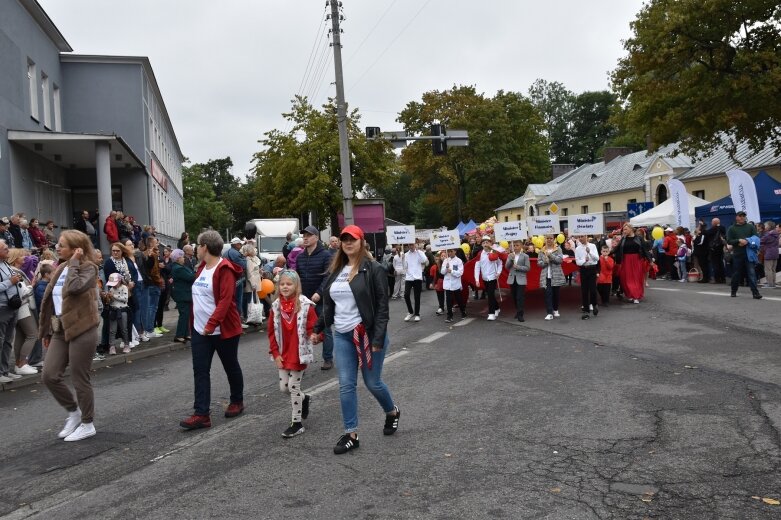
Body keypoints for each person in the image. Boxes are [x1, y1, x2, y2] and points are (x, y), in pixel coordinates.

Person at [311, 224, 399, 455]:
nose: (348, 243)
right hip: (341, 334)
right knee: (346, 385)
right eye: (344, 239)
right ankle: (351, 434)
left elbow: (382, 308)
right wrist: (318, 327)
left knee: (372, 383)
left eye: (352, 239)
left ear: (361, 242)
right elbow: (329, 304)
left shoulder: (373, 269)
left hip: (367, 335)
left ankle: (391, 412)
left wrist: (378, 338)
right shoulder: (336, 270)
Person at [180, 230, 245, 430]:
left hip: (222, 330)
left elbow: (226, 300)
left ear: (205, 247)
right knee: (200, 371)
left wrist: (211, 324)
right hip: (201, 331)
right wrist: (198, 327)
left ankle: (237, 401)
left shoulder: (224, 268)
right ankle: (201, 414)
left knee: (230, 366)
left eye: (198, 245)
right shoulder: (201, 268)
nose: (196, 249)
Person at [38, 230, 100, 442]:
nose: (57, 247)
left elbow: (74, 288)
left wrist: (74, 262)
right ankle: (74, 413)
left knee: (79, 377)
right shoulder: (62, 267)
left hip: (83, 328)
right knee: (49, 375)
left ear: (76, 249)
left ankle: (87, 423)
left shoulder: (89, 268)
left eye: (62, 245)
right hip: (60, 329)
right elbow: (50, 301)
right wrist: (46, 329)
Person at [268, 270, 318, 438]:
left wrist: (315, 335)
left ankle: (296, 423)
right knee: (284, 388)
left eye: (289, 284)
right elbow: (271, 332)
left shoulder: (305, 305)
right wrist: (275, 353)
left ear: (296, 286)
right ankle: (304, 399)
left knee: (293, 387)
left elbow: (313, 325)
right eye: (282, 284)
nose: (285, 287)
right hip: (283, 353)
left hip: (299, 353)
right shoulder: (275, 306)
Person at [295, 225, 335, 370]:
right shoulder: (300, 257)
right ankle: (301, 361)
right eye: (304, 235)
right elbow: (297, 277)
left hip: (321, 300)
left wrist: (319, 292)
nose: (305, 238)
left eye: (308, 235)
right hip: (304, 301)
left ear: (316, 238)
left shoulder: (326, 255)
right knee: (301, 331)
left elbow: (328, 277)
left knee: (325, 329)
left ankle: (328, 359)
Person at [6, 249, 38, 375]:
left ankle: (20, 364)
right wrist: (32, 285)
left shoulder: (13, 270)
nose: (24, 258)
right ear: (15, 258)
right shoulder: (15, 272)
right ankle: (22, 363)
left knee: (21, 335)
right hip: (23, 306)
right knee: (32, 334)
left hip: (20, 307)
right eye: (21, 256)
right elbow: (22, 292)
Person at [614, 223, 653, 304]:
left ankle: (635, 296)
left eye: (625, 229)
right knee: (626, 279)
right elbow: (616, 248)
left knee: (636, 279)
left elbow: (645, 250)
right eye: (623, 229)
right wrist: (607, 253)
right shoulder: (623, 239)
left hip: (637, 260)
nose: (624, 231)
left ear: (631, 229)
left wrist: (650, 260)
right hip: (626, 260)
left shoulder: (639, 238)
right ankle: (630, 294)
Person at [0, 240, 22, 383]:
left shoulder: (6, 264)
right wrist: (10, 282)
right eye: (5, 249)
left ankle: (5, 371)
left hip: (12, 307)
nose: (9, 251)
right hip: (2, 308)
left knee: (8, 341)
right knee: (0, 341)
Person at [727, 211, 762, 299]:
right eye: (740, 216)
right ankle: (733, 291)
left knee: (751, 273)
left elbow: (756, 239)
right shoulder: (732, 228)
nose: (742, 217)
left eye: (743, 216)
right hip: (738, 254)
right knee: (736, 274)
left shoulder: (750, 227)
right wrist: (738, 240)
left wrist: (749, 242)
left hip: (749, 254)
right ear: (736, 217)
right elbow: (729, 241)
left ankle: (755, 293)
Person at [474, 236, 503, 321]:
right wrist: (476, 279)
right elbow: (477, 267)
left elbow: (500, 263)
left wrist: (498, 272)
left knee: (490, 295)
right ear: (482, 245)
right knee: (491, 295)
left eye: (487, 242)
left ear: (490, 244)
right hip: (485, 277)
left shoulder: (494, 252)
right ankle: (497, 308)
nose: (485, 244)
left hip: (493, 277)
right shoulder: (480, 254)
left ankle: (491, 313)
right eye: (483, 243)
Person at [170, 248, 195, 343]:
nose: (184, 258)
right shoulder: (178, 268)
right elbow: (191, 276)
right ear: (177, 258)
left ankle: (186, 334)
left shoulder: (181, 266)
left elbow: (192, 274)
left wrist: (193, 274)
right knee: (184, 315)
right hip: (182, 294)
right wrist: (193, 274)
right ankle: (179, 335)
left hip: (185, 294)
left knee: (186, 314)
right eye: (182, 257)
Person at [538, 235, 565, 320]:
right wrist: (545, 262)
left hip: (556, 275)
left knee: (556, 294)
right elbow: (539, 263)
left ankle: (555, 309)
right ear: (545, 239)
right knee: (548, 294)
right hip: (546, 275)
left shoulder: (558, 249)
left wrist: (551, 256)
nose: (549, 240)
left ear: (554, 239)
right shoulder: (541, 250)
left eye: (551, 238)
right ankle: (549, 313)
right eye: (547, 238)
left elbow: (560, 260)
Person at [223, 237, 247, 328]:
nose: (241, 245)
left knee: (231, 300)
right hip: (237, 279)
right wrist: (245, 258)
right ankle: (237, 322)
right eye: (240, 244)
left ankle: (231, 321)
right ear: (236, 245)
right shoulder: (236, 253)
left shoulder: (226, 253)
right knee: (238, 300)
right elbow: (244, 265)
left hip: (229, 279)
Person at [105, 273, 130, 355]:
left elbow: (125, 299)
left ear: (119, 281)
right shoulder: (111, 289)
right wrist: (108, 298)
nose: (113, 285)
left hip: (122, 310)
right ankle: (112, 346)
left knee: (124, 329)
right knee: (112, 330)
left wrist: (114, 296)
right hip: (113, 310)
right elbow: (111, 302)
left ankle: (126, 344)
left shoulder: (124, 288)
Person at [575, 236, 599, 319]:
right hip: (583, 269)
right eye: (579, 237)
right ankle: (586, 311)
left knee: (593, 289)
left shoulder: (592, 246)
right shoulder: (577, 249)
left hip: (592, 268)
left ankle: (594, 304)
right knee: (584, 291)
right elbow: (577, 262)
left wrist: (590, 253)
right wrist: (584, 260)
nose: (580, 238)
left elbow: (597, 258)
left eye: (582, 237)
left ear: (586, 236)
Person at [402, 242, 428, 322]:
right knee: (406, 295)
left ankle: (417, 314)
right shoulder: (406, 254)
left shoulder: (419, 253)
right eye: (409, 245)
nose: (411, 246)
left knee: (417, 297)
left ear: (415, 245)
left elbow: (424, 260)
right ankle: (410, 312)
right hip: (409, 277)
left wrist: (418, 251)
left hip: (417, 277)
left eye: (412, 244)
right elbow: (405, 266)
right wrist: (403, 259)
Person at [505, 240, 530, 322]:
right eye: (514, 245)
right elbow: (507, 267)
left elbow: (527, 268)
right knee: (514, 297)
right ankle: (518, 310)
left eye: (517, 245)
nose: (515, 247)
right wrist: (510, 260)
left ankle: (520, 314)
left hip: (521, 279)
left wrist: (518, 267)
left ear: (521, 246)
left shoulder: (525, 256)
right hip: (512, 279)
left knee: (520, 297)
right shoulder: (510, 255)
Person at [706, 218, 727, 283]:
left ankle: (717, 279)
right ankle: (723, 278)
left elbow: (706, 233)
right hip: (721, 247)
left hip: (714, 248)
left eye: (712, 222)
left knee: (715, 264)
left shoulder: (713, 229)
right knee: (721, 263)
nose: (711, 223)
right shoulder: (723, 228)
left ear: (714, 223)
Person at [760, 221, 779, 289]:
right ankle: (773, 283)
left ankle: (770, 284)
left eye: (765, 225)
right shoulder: (776, 234)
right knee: (773, 269)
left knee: (768, 269)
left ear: (768, 226)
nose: (764, 227)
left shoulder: (768, 235)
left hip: (768, 253)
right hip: (775, 253)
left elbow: (761, 241)